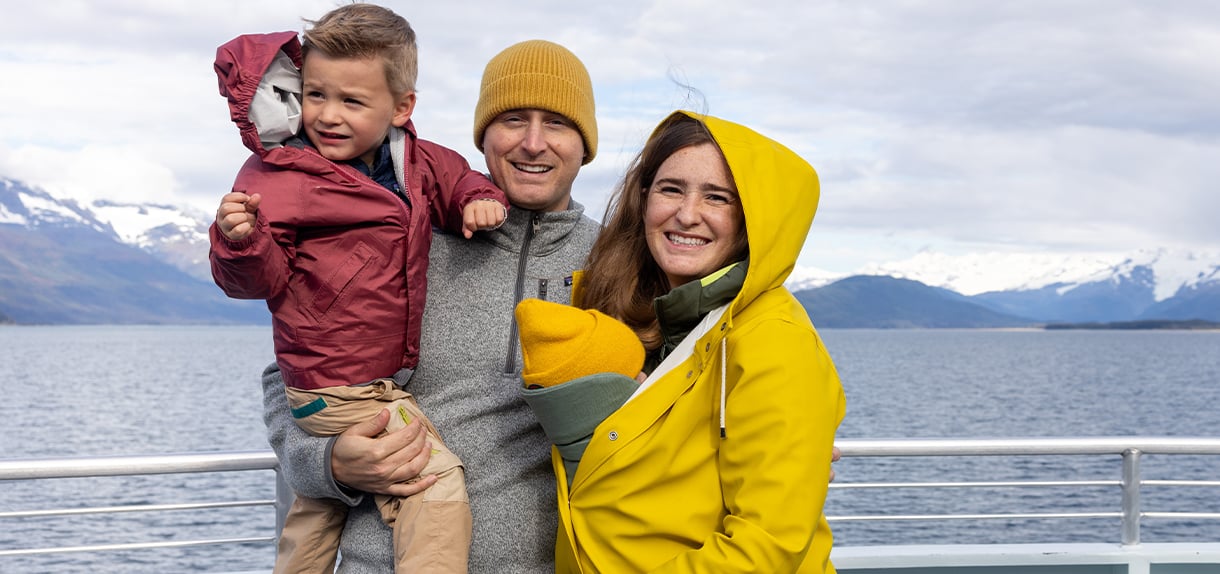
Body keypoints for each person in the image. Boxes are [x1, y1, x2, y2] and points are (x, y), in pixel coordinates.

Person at [258, 38, 602, 573]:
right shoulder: (408, 236)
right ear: (482, 136)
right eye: (512, 120)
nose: (533, 143)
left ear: (586, 144)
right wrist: (330, 464)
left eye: (557, 124)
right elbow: (295, 373)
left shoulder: (615, 262)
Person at [210, 5, 507, 573]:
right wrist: (240, 241)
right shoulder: (280, 176)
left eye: (352, 101)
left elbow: (456, 178)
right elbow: (256, 283)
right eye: (316, 95)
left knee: (318, 510)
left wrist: (476, 199)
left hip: (355, 379)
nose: (327, 115)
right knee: (433, 483)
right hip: (338, 380)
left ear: (401, 107)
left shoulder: (416, 163)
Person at [558, 110, 846, 572]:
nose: (687, 215)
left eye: (717, 197)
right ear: (644, 196)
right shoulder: (638, 316)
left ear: (753, 218)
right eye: (671, 189)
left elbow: (765, 546)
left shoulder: (772, 338)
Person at [514, 297, 646, 488]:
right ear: (607, 397)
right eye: (635, 376)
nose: (645, 377)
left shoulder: (573, 477)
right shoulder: (641, 475)